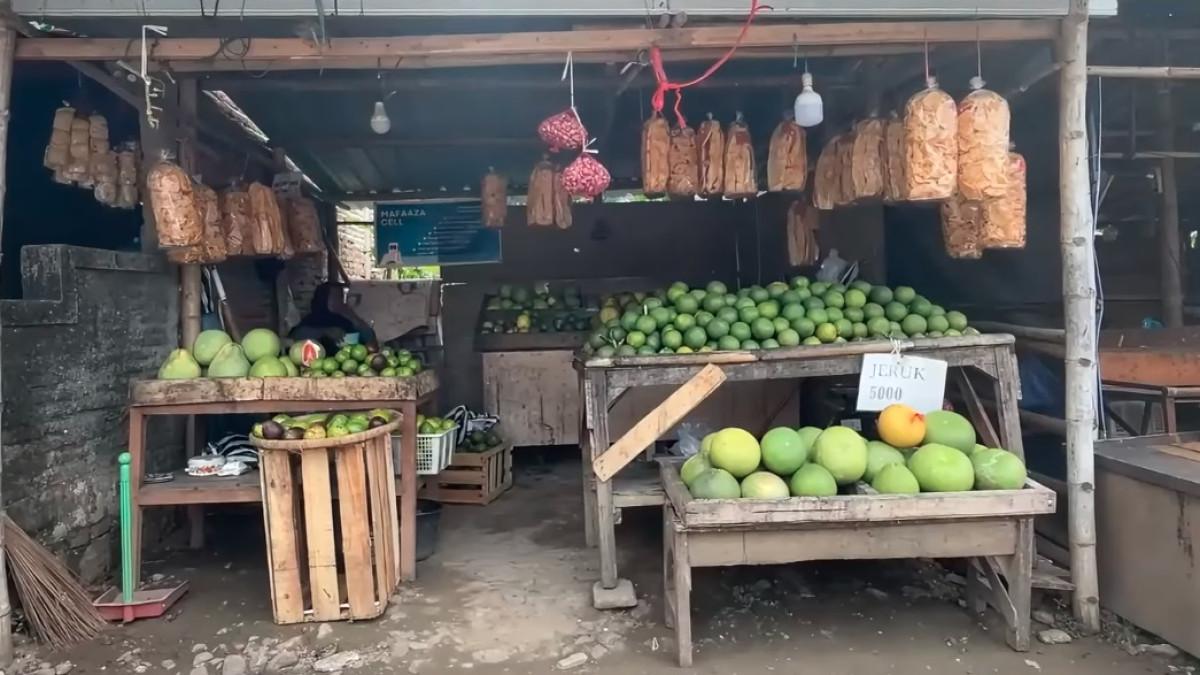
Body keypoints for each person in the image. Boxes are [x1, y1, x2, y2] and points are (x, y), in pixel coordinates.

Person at [290, 282, 377, 354]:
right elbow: (295, 336)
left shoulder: (346, 319)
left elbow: (370, 339)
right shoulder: (314, 319)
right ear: (323, 300)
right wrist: (325, 332)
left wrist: (351, 315)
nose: (340, 301)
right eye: (336, 297)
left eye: (341, 297)